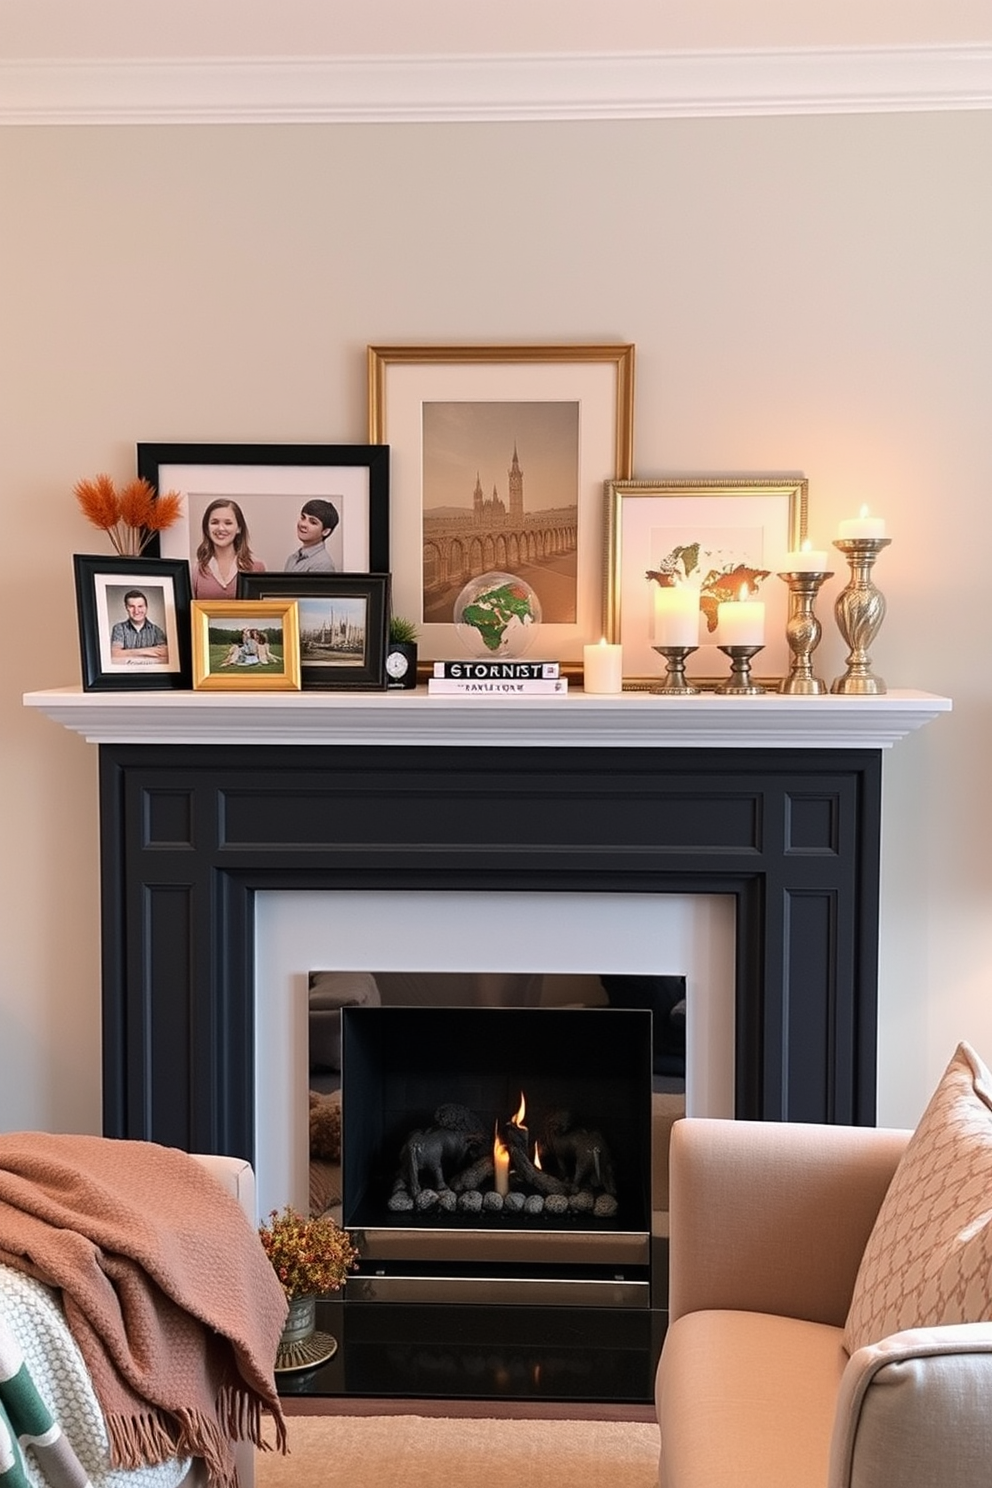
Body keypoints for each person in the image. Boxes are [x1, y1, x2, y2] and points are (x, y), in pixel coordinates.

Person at [193, 499, 264, 598]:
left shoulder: (256, 567)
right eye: (214, 522)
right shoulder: (196, 570)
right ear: (206, 528)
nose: (221, 528)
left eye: (228, 523)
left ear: (239, 528)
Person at [109, 590, 168, 662]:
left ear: (146, 607)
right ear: (126, 608)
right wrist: (151, 651)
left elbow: (164, 652)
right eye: (131, 606)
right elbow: (115, 654)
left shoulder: (156, 631)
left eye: (140, 606)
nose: (136, 611)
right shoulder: (119, 628)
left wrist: (126, 652)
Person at [284, 498, 339, 574]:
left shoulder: (323, 565)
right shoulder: (292, 558)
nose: (303, 524)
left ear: (325, 531)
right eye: (303, 518)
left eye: (313, 522)